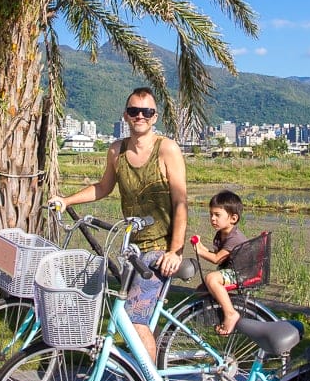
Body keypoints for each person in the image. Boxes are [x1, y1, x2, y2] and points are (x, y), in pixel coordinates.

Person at [48, 87, 188, 363]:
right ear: (126, 115)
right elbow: (103, 187)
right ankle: (152, 377)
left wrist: (175, 251)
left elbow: (180, 202)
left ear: (155, 116)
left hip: (160, 250)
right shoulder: (117, 150)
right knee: (140, 318)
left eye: (146, 112)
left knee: (132, 318)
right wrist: (66, 201)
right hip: (132, 250)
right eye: (134, 111)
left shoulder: (167, 149)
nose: (140, 116)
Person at [191, 189, 248, 336]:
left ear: (233, 218)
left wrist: (200, 251)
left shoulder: (234, 237)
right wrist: (202, 248)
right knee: (201, 290)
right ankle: (216, 317)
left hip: (241, 273)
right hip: (231, 270)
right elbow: (217, 255)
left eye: (217, 215)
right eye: (211, 214)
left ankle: (230, 314)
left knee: (211, 278)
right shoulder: (222, 233)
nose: (212, 219)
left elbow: (217, 259)